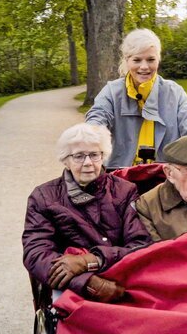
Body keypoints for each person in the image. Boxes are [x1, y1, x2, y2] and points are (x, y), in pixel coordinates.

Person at [22, 123, 152, 303]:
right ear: (65, 160)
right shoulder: (43, 197)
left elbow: (141, 244)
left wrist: (91, 260)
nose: (88, 163)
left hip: (121, 281)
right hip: (72, 289)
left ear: (103, 156)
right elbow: (36, 253)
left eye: (94, 155)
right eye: (79, 156)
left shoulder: (125, 190)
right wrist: (86, 283)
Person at [85, 28, 187, 169]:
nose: (144, 67)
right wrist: (91, 139)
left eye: (151, 60)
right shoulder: (112, 91)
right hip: (119, 175)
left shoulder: (173, 92)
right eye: (137, 60)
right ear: (127, 60)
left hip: (166, 176)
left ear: (158, 60)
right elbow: (97, 118)